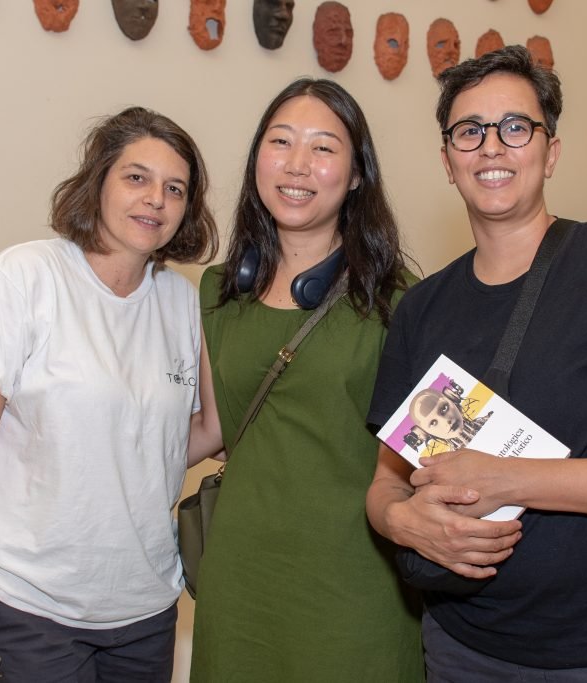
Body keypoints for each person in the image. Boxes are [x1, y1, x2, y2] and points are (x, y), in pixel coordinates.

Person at [366, 45, 587, 681]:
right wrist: (401, 521)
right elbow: (386, 483)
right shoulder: (421, 309)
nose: (491, 147)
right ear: (447, 161)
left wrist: (506, 479)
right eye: (469, 131)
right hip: (464, 649)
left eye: (515, 127)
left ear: (550, 152)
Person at [0, 107, 221, 681]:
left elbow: (193, 434)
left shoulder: (181, 300)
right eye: (136, 177)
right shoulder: (25, 277)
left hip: (145, 607)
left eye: (175, 188)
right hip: (30, 606)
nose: (155, 199)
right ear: (98, 181)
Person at [189, 78, 424, 682]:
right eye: (281, 141)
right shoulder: (218, 290)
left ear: (356, 174)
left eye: (323, 147)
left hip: (356, 585)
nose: (297, 163)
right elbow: (214, 429)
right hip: (240, 578)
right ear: (256, 159)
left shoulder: (400, 302)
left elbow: (432, 459)